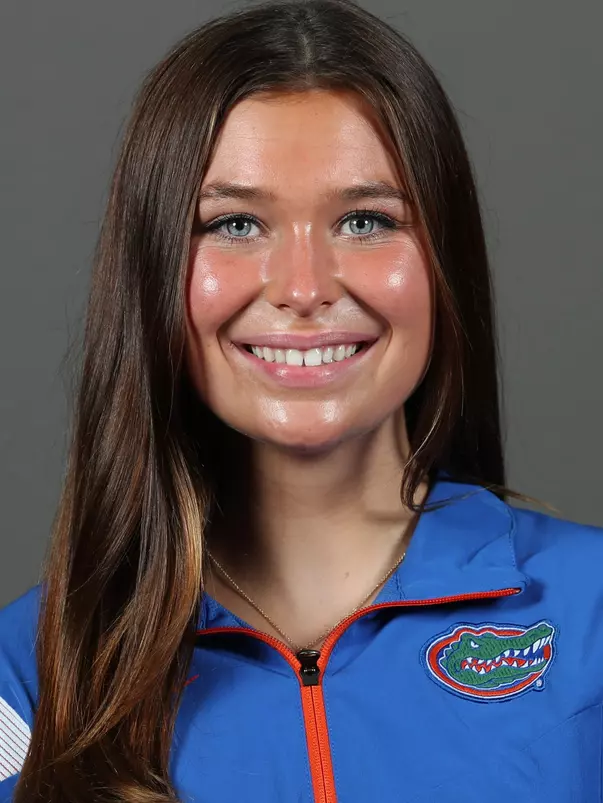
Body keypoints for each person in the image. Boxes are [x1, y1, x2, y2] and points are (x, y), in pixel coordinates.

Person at [1, 0, 602, 800]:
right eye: (235, 224)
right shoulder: (32, 668)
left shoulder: (588, 607)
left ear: (443, 262)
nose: (303, 288)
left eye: (364, 219)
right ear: (150, 272)